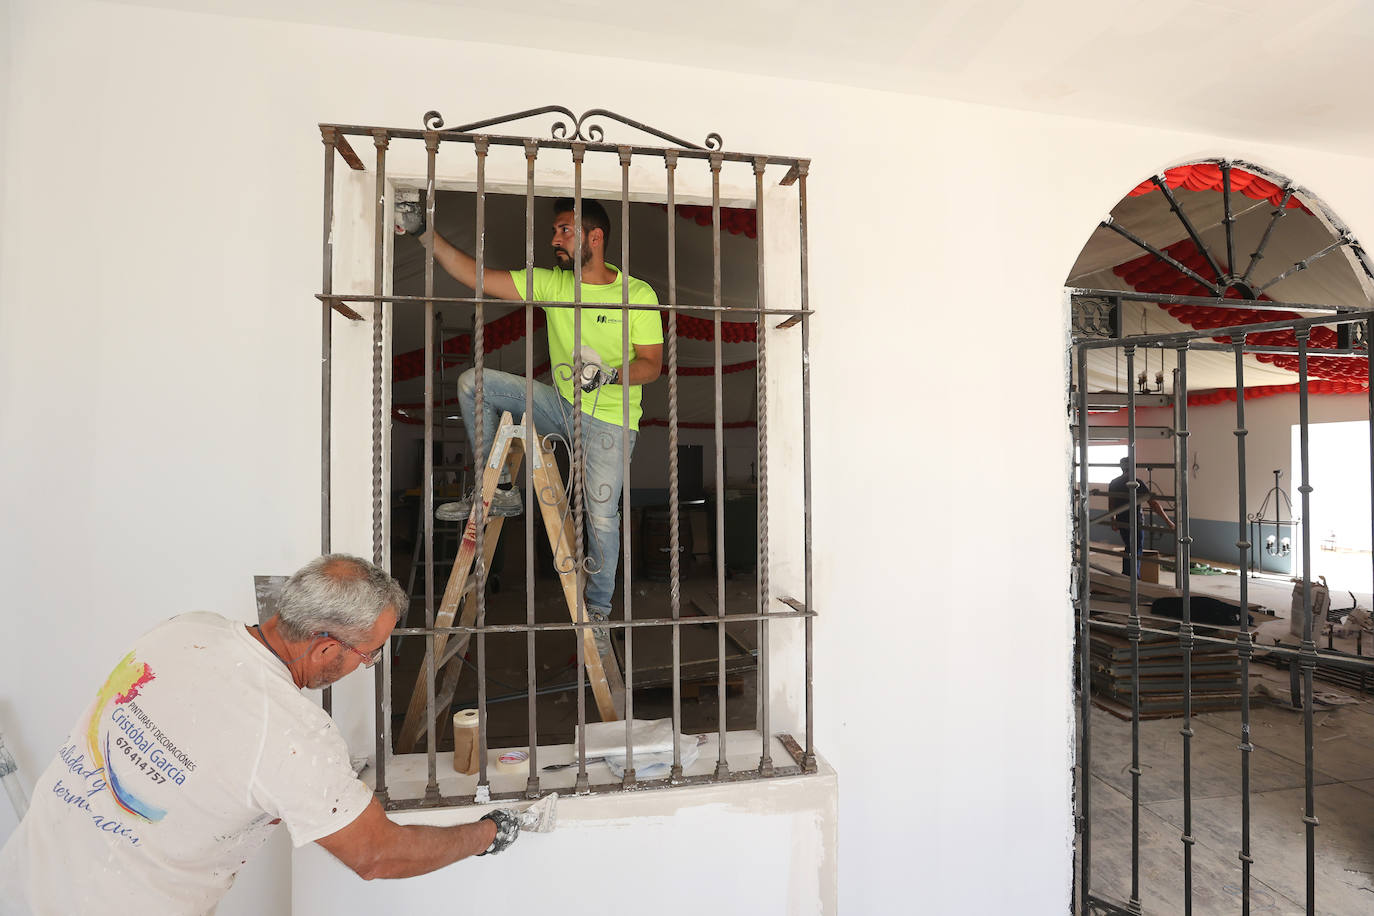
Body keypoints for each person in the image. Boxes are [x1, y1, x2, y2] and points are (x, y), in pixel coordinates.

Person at [0, 555, 521, 914]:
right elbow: (379, 854)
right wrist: (488, 833)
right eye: (367, 655)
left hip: (21, 883)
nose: (366, 666)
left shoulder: (188, 628)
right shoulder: (292, 734)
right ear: (324, 648)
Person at [396, 196, 663, 637]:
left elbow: (652, 365)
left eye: (565, 230)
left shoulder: (636, 294)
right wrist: (425, 232)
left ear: (595, 238)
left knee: (599, 515)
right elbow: (475, 276)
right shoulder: (554, 285)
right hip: (560, 405)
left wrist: (610, 375)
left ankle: (598, 611)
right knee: (472, 382)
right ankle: (499, 487)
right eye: (555, 230)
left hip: (612, 421)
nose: (554, 239)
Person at [1107, 458, 1176, 576]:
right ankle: (1133, 577)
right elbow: (1153, 503)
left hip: (1122, 520)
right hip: (1135, 521)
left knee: (1129, 547)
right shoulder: (1137, 483)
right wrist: (1168, 521)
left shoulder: (1114, 483)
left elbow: (1111, 503)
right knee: (1136, 548)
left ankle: (1126, 574)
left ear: (1121, 467)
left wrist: (1113, 520)